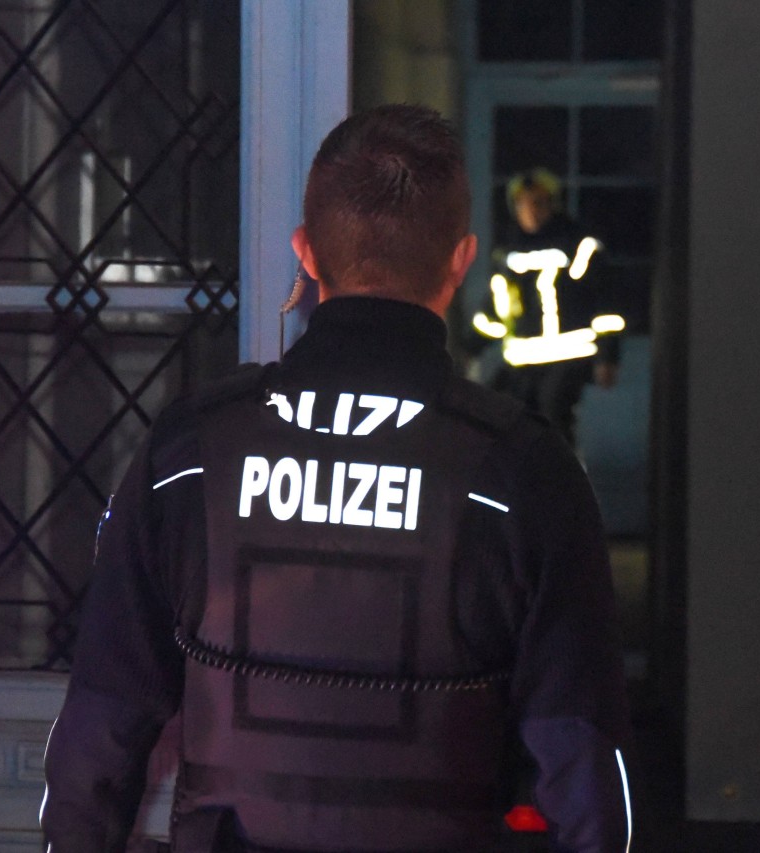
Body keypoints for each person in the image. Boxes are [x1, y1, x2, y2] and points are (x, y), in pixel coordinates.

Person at [41, 105, 632, 853]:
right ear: (461, 260)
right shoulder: (523, 470)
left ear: (306, 253)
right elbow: (585, 763)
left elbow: (103, 721)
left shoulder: (192, 451)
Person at [469, 169, 624, 445]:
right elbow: (497, 307)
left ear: (554, 204)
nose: (531, 211)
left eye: (539, 202)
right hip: (521, 363)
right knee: (493, 418)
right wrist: (467, 347)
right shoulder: (508, 254)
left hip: (567, 358)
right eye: (524, 203)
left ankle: (564, 485)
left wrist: (607, 356)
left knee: (553, 425)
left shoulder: (580, 246)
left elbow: (606, 304)